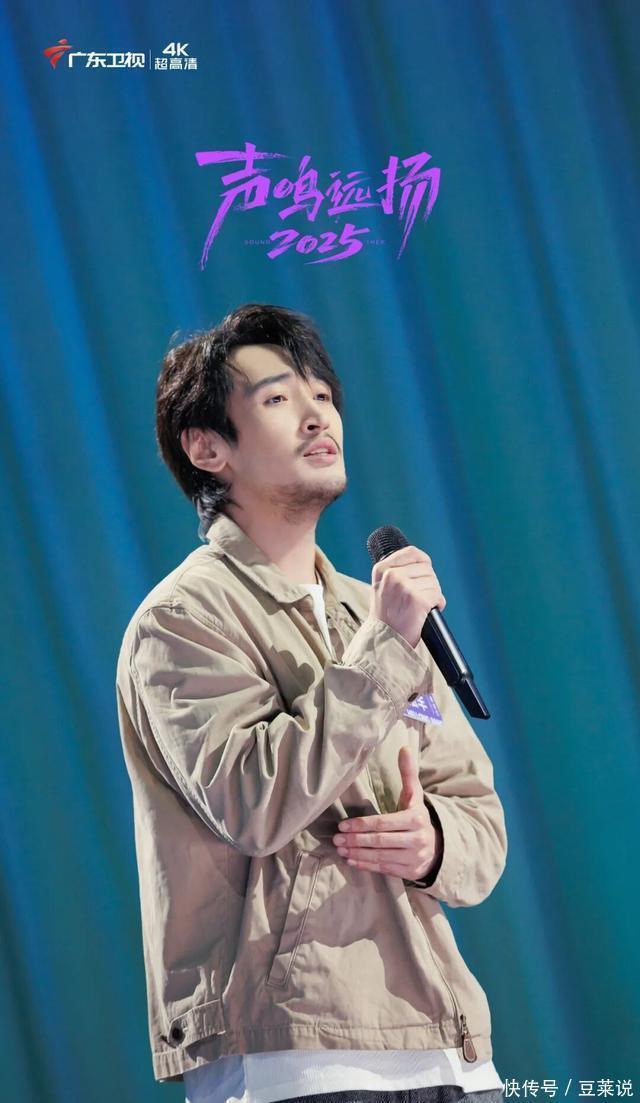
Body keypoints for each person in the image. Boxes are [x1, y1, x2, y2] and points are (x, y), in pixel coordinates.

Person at [115, 303, 508, 1103]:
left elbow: (477, 813)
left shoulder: (378, 613)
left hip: (450, 1048)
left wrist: (432, 840)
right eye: (278, 398)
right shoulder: (182, 619)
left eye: (323, 395)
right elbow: (253, 800)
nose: (318, 414)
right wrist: (383, 649)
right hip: (293, 1056)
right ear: (207, 446)